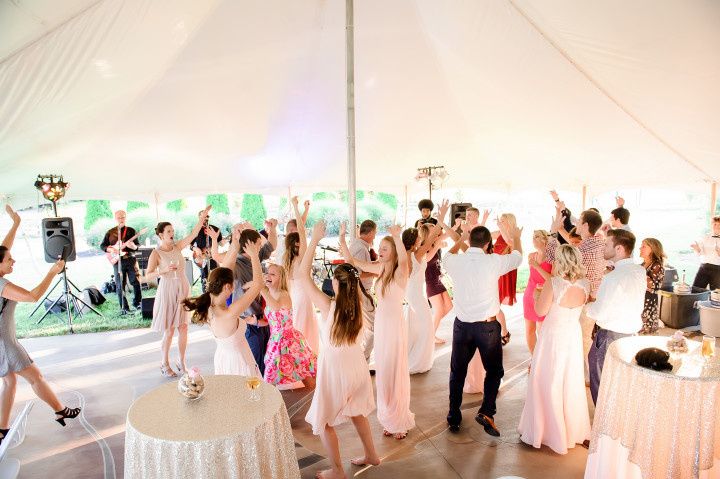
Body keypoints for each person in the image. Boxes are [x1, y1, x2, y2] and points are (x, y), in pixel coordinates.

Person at [300, 221, 380, 479]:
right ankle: (371, 455)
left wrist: (313, 240)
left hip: (335, 371)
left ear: (337, 284)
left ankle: (337, 471)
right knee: (357, 411)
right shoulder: (359, 304)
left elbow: (302, 276)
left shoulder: (328, 307)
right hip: (357, 369)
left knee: (322, 422)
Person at [0, 206, 81, 443]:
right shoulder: (2, 285)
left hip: (4, 340)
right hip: (5, 343)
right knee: (34, 376)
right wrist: (53, 271)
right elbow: (34, 295)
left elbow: (3, 248)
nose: (13, 260)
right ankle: (60, 410)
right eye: (9, 260)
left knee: (10, 381)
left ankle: (3, 429)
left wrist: (16, 223)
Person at [443, 217, 523, 436]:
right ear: (488, 244)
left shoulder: (455, 261)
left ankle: (453, 416)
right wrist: (515, 236)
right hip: (487, 327)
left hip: (462, 326)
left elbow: (448, 254)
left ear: (470, 241)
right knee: (494, 371)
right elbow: (517, 258)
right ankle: (487, 411)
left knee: (457, 372)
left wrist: (461, 240)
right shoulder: (494, 261)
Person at [341, 223, 415, 440]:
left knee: (395, 371)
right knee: (383, 372)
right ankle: (387, 417)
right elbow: (352, 262)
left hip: (395, 327)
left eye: (384, 249)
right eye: (380, 248)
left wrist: (397, 237)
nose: (380, 251)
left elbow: (403, 258)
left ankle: (399, 419)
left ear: (392, 251)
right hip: (382, 325)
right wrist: (344, 239)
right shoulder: (379, 269)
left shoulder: (401, 271)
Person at [518, 244, 591, 454]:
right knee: (569, 381)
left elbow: (540, 311)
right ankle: (570, 430)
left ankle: (547, 431)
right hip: (572, 336)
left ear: (561, 261)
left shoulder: (554, 283)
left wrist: (535, 297)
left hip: (552, 336)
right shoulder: (586, 284)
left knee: (547, 380)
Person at [145, 205, 211, 377]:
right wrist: (163, 271)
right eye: (168, 231)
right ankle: (164, 363)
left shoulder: (178, 246)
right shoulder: (156, 253)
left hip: (182, 287)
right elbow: (148, 275)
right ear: (161, 234)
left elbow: (194, 234)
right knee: (170, 330)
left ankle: (181, 361)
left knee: (184, 327)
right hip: (167, 289)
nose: (172, 233)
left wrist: (202, 217)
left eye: (172, 231)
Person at [182, 239, 264, 377]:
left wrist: (236, 243)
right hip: (239, 361)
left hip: (222, 358)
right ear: (227, 287)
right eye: (233, 285)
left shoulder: (208, 305)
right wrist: (255, 255)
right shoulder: (229, 313)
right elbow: (258, 284)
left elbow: (226, 269)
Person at [586, 229, 646, 403]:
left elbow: (600, 312)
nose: (603, 247)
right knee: (622, 385)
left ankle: (603, 425)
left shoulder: (612, 277)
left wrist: (587, 304)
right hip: (631, 336)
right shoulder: (639, 271)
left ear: (619, 248)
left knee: (602, 384)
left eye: (607, 244)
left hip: (609, 337)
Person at [547, 207, 606, 380]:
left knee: (579, 340)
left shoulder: (584, 249)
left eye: (579, 221)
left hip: (581, 302)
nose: (576, 223)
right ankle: (583, 374)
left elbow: (553, 258)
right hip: (592, 299)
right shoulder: (599, 242)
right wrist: (560, 230)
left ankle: (580, 376)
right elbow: (573, 246)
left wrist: (552, 234)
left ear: (586, 225)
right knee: (584, 338)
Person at [220, 221, 277, 376]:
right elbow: (225, 270)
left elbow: (271, 245)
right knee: (254, 364)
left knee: (265, 360)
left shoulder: (255, 257)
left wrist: (272, 229)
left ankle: (265, 391)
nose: (261, 247)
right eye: (258, 244)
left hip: (262, 317)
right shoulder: (237, 264)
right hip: (249, 320)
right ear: (249, 246)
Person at [260, 261, 317, 389]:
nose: (268, 276)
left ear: (281, 278)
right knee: (271, 376)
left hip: (289, 341)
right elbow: (273, 318)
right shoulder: (270, 294)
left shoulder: (283, 294)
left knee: (304, 374)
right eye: (267, 273)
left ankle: (319, 401)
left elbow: (275, 307)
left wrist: (260, 288)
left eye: (273, 274)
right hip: (276, 340)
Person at [402, 221, 441, 374]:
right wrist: (442, 218)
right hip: (416, 295)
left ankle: (412, 355)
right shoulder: (416, 254)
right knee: (426, 327)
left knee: (417, 326)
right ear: (415, 241)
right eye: (418, 238)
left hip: (412, 292)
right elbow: (431, 240)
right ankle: (418, 361)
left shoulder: (405, 254)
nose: (420, 239)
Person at [284, 197, 319, 352]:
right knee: (306, 330)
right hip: (304, 298)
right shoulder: (301, 258)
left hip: (293, 298)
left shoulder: (287, 260)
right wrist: (295, 206)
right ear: (297, 243)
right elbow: (302, 230)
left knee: (298, 327)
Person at [100, 210, 142, 313]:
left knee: (135, 282)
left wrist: (134, 246)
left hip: (130, 259)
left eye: (123, 217)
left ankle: (138, 303)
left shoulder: (131, 230)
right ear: (115, 218)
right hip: (117, 262)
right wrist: (110, 249)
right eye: (119, 218)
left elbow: (137, 246)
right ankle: (124, 307)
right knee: (119, 285)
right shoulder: (110, 232)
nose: (121, 219)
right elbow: (102, 246)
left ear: (125, 217)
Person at [348, 220, 378, 364]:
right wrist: (376, 273)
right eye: (375, 233)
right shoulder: (360, 248)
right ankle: (364, 359)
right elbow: (357, 273)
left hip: (360, 291)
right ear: (371, 232)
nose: (375, 236)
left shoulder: (357, 244)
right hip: (361, 291)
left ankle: (361, 358)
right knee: (372, 326)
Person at [524, 230, 552, 356]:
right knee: (529, 330)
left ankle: (542, 360)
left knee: (542, 331)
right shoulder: (531, 256)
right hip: (529, 295)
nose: (533, 239)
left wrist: (537, 266)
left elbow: (551, 279)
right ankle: (533, 359)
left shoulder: (552, 259)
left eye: (537, 237)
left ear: (545, 240)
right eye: (533, 236)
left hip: (544, 297)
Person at [491, 213, 518, 345]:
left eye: (503, 221)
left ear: (509, 222)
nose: (500, 223)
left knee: (494, 304)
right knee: (493, 304)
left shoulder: (513, 235)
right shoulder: (499, 233)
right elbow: (485, 235)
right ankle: (503, 332)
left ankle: (503, 332)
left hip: (504, 274)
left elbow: (509, 242)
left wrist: (501, 228)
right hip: (495, 271)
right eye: (500, 220)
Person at [189, 210, 223, 293]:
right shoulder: (195, 230)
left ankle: (215, 295)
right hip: (200, 257)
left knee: (215, 276)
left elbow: (221, 243)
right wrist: (195, 248)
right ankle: (206, 295)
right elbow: (190, 244)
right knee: (205, 277)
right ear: (199, 218)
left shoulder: (214, 229)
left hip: (212, 257)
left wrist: (222, 242)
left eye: (207, 216)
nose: (206, 218)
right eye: (204, 217)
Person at [639, 238, 666, 334]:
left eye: (643, 246)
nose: (640, 248)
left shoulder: (657, 265)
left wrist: (639, 274)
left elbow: (654, 286)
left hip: (649, 301)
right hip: (641, 299)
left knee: (646, 330)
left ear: (652, 249)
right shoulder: (643, 264)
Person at [691, 216, 720, 290]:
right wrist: (697, 248)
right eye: (714, 224)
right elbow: (700, 252)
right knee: (696, 290)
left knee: (716, 294)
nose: (716, 226)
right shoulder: (705, 237)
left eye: (718, 224)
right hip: (704, 268)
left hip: (718, 270)